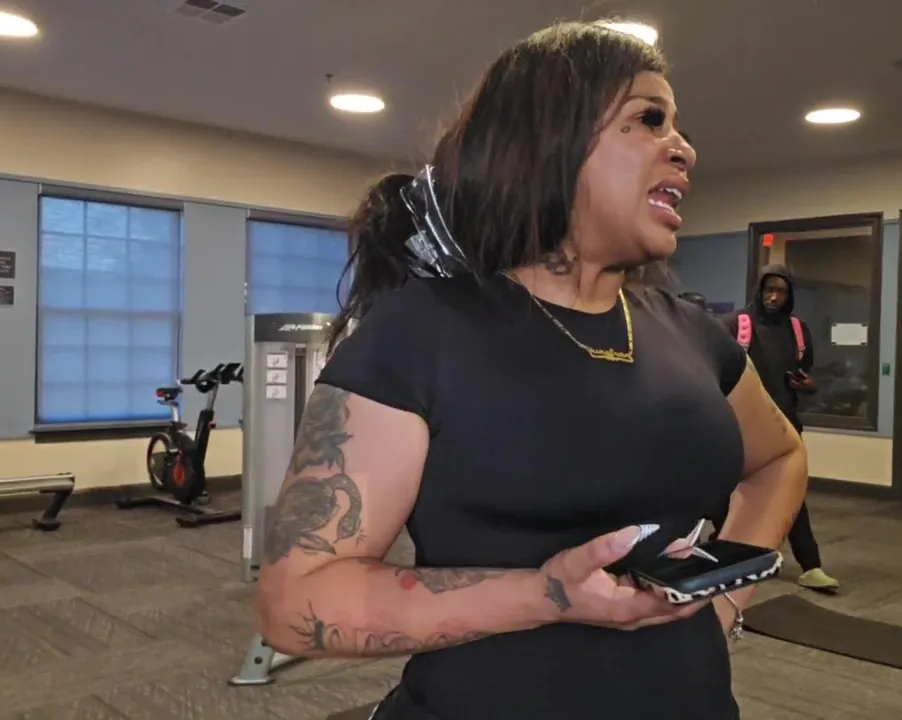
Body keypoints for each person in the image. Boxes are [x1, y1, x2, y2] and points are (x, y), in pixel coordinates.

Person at [254, 22, 808, 720]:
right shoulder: (421, 333)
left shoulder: (693, 332)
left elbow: (780, 458)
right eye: (648, 119)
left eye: (677, 127)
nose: (684, 147)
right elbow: (294, 602)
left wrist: (725, 601)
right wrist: (546, 595)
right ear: (550, 142)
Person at [719, 265, 840, 591]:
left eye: (781, 291)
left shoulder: (798, 331)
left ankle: (811, 565)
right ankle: (724, 556)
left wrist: (809, 386)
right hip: (739, 425)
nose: (774, 297)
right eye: (769, 290)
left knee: (790, 492)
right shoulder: (734, 325)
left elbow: (805, 373)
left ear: (790, 295)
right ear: (759, 290)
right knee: (724, 494)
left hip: (784, 426)